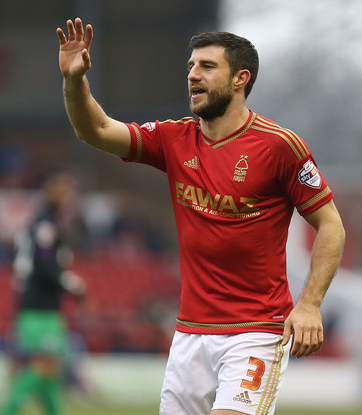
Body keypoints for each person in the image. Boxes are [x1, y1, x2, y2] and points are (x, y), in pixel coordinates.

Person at [56, 18, 345, 415]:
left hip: (255, 333)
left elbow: (331, 225)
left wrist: (309, 304)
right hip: (189, 335)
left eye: (207, 66)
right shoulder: (174, 139)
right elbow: (98, 130)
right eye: (191, 66)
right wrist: (74, 81)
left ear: (240, 79)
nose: (193, 75)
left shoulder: (279, 146)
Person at [1, 171, 86, 415]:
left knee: (52, 368)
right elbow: (44, 267)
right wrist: (72, 285)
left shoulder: (47, 223)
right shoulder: (45, 225)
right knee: (43, 365)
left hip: (45, 307)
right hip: (38, 306)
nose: (69, 198)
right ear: (52, 193)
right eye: (65, 192)